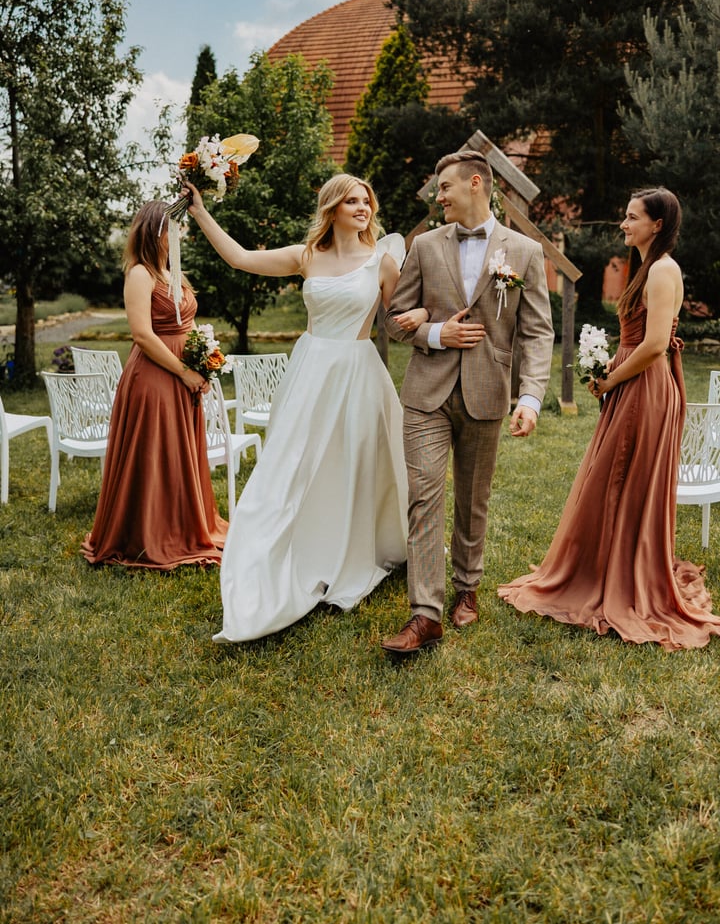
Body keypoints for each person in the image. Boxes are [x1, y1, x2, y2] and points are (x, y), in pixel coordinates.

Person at [186, 173, 420, 642]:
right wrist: (199, 212)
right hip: (310, 370)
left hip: (357, 375)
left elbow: (398, 321)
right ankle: (273, 547)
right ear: (332, 208)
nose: (362, 208)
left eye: (366, 201)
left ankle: (345, 548)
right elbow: (240, 259)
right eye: (351, 201)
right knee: (289, 464)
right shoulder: (306, 256)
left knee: (351, 466)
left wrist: (428, 319)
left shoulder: (384, 261)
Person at [498, 187, 720, 650]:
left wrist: (611, 378)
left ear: (656, 225)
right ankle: (604, 566)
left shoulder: (662, 269)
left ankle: (621, 577)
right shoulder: (646, 267)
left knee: (620, 476)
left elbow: (656, 344)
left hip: (643, 388)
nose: (623, 223)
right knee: (614, 477)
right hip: (630, 385)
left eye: (631, 217)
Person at [381, 150, 556, 655]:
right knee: (424, 494)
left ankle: (467, 589)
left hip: (488, 392)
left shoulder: (522, 252)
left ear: (474, 183)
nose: (439, 198)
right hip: (425, 394)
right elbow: (394, 319)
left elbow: (537, 331)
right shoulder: (425, 245)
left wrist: (531, 396)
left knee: (472, 500)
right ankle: (424, 614)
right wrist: (436, 332)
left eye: (444, 189)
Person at [81, 199, 228, 570]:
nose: (181, 234)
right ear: (156, 231)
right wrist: (183, 371)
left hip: (184, 375)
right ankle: (148, 532)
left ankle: (183, 524)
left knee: (179, 451)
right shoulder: (140, 274)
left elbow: (188, 324)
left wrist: (203, 365)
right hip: (154, 376)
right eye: (175, 228)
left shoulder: (173, 272)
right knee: (153, 452)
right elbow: (143, 335)